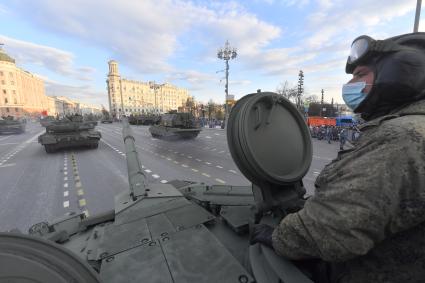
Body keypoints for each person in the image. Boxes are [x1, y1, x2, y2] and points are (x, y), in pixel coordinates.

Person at [251, 32, 425, 282]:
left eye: (360, 74)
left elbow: (332, 228)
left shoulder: (402, 136)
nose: (351, 83)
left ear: (398, 75)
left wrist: (279, 237)